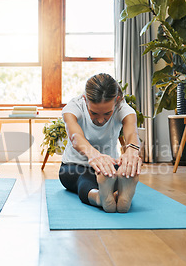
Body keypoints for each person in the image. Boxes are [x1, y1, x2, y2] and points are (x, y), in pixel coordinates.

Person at [59, 73, 142, 213]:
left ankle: (107, 196)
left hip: (110, 167)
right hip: (73, 166)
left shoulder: (124, 109)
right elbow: (75, 136)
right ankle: (105, 196)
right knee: (83, 179)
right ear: (85, 100)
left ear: (117, 100)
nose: (100, 120)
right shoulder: (73, 107)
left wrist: (131, 153)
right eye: (94, 113)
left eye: (107, 114)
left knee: (114, 173)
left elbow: (132, 133)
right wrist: (94, 155)